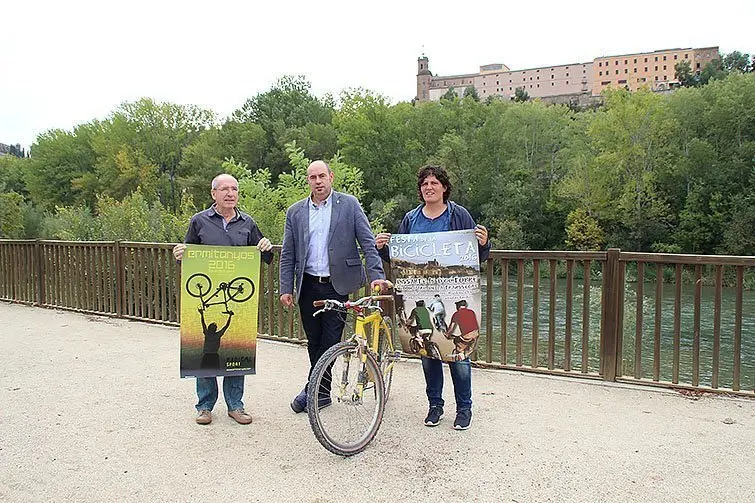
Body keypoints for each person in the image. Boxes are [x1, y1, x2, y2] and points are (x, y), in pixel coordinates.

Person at [376, 164, 490, 431]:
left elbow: (477, 256)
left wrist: (484, 243)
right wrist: (383, 248)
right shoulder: (411, 219)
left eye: (434, 183)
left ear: (444, 187)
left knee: (459, 354)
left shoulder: (459, 215)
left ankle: (464, 409)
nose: (429, 187)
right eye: (424, 183)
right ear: (420, 190)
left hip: (455, 292)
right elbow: (399, 258)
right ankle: (435, 405)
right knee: (428, 350)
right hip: (419, 293)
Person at [279, 160, 388, 414]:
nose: (317, 181)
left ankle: (312, 389)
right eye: (312, 177)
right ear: (308, 181)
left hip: (337, 285)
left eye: (321, 176)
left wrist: (376, 276)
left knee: (330, 341)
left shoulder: (349, 205)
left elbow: (368, 243)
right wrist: (286, 288)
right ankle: (322, 393)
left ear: (331, 177)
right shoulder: (295, 212)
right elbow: (288, 254)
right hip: (307, 284)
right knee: (314, 341)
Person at [173, 173, 273, 426]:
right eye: (225, 189)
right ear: (213, 193)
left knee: (238, 349)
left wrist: (266, 247)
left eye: (235, 189)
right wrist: (180, 253)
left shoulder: (248, 223)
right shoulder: (199, 221)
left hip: (237, 300)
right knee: (201, 354)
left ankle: (235, 405)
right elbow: (188, 255)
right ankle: (205, 406)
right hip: (207, 291)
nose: (230, 193)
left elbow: (267, 258)